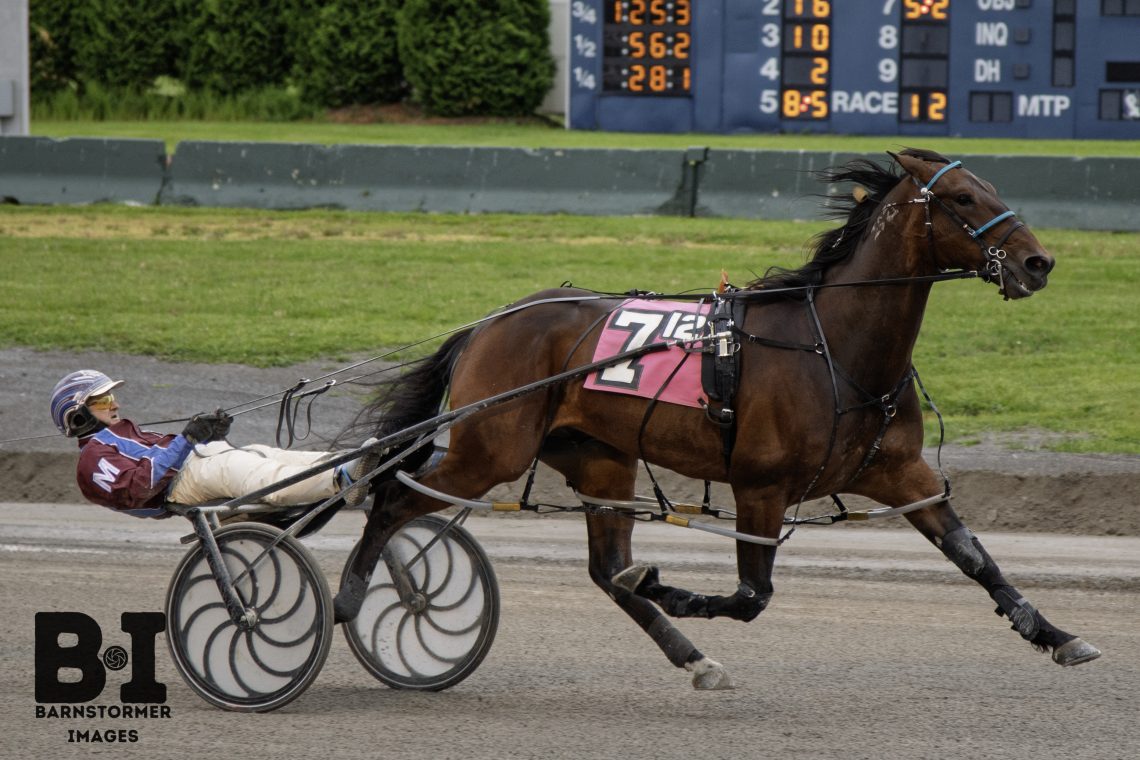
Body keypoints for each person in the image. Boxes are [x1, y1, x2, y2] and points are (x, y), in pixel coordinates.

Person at [49, 369, 380, 519]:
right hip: (180, 487)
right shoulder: (92, 461)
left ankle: (358, 461)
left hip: (197, 464)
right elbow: (141, 487)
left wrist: (208, 434)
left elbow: (165, 455)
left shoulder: (119, 435)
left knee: (270, 455)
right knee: (263, 478)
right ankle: (343, 478)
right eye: (104, 400)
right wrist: (188, 439)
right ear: (79, 417)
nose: (115, 404)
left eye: (112, 397)